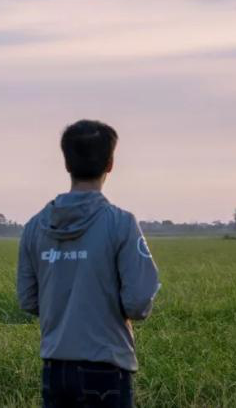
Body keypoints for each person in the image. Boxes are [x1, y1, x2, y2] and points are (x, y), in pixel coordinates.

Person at [17, 119, 160, 408]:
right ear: (110, 164)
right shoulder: (120, 224)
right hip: (106, 369)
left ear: (67, 164)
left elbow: (28, 299)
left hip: (54, 369)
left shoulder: (35, 227)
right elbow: (138, 302)